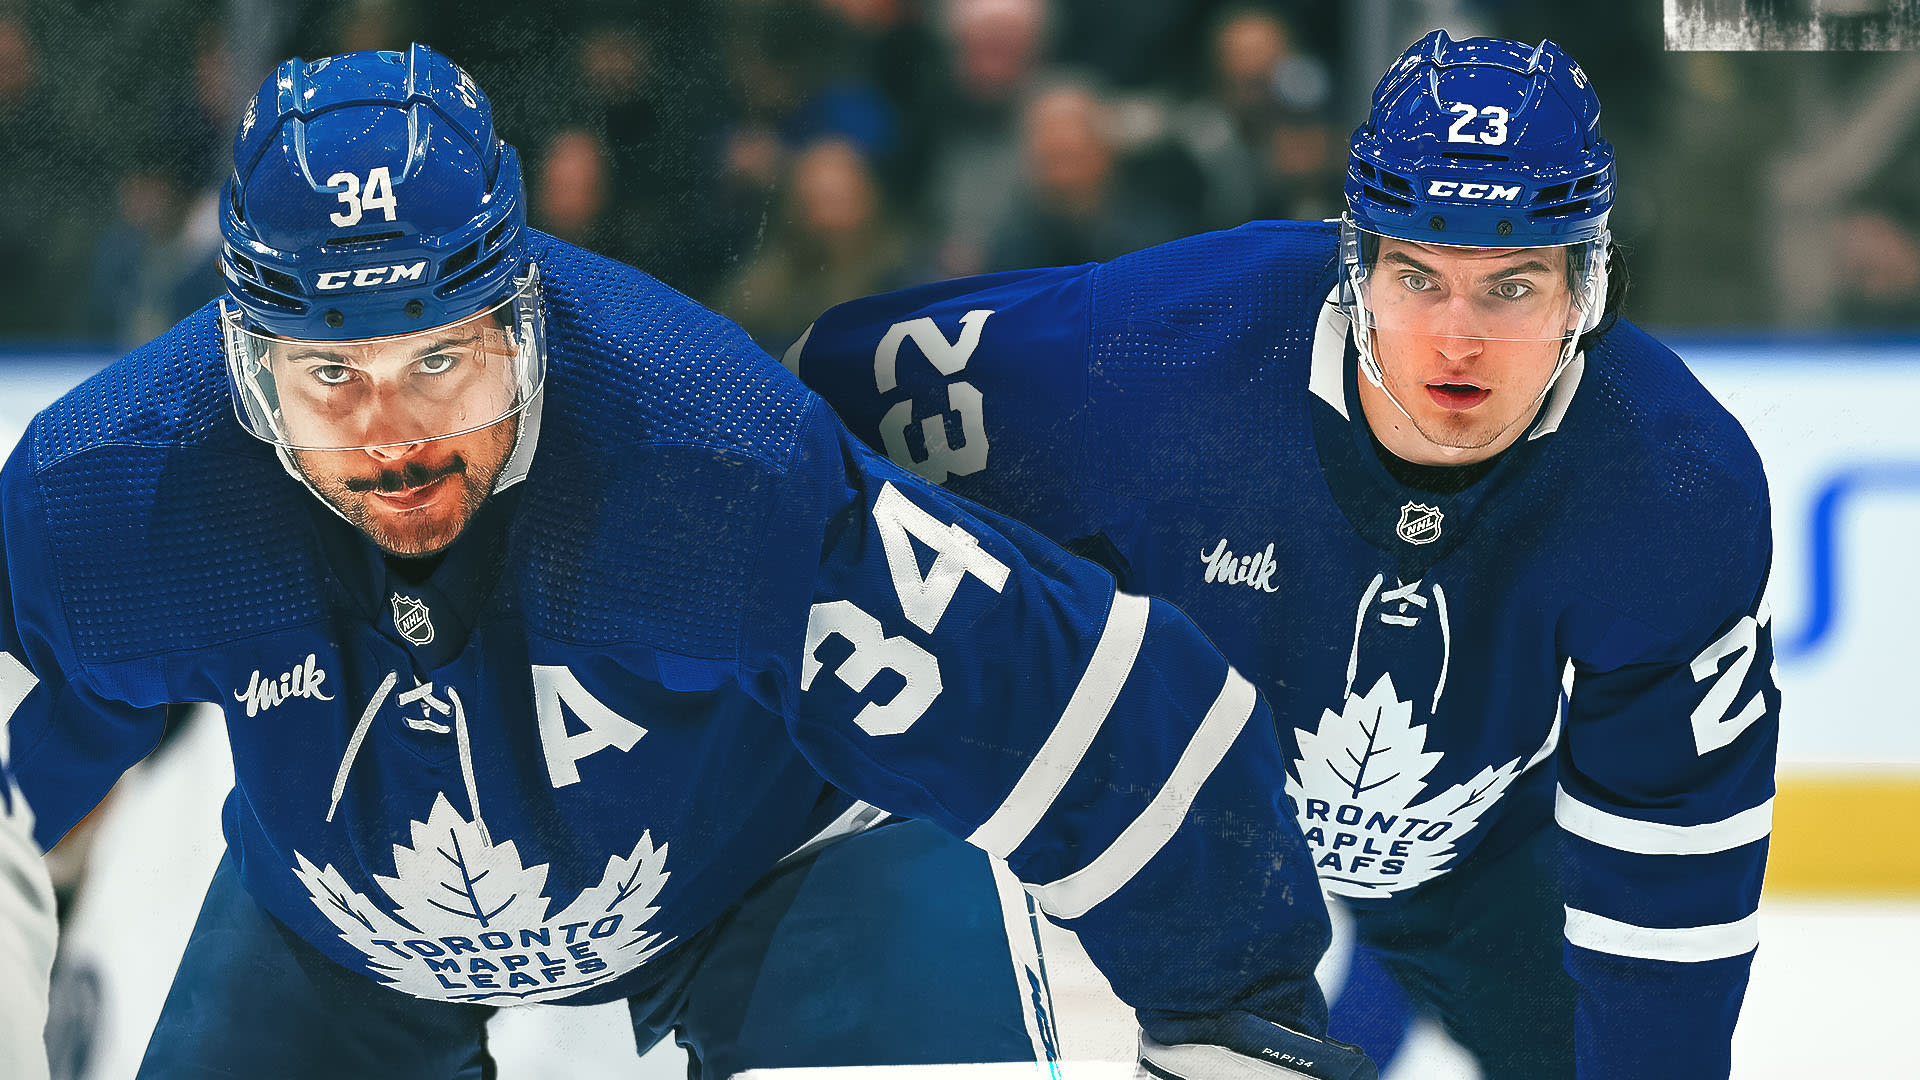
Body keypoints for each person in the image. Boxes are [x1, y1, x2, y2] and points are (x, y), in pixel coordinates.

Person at [0, 45, 1374, 1080]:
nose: (394, 435)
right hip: (344, 918)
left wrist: (1230, 1017)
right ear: (242, 371)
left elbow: (1070, 702)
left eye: (441, 361)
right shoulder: (118, 489)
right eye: (327, 379)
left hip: (774, 866)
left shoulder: (704, 461)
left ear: (523, 321)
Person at [787, 30, 1779, 1080]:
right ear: (1354, 264)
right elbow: (805, 406)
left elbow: (1674, 895)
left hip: (1465, 842)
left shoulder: (1676, 485)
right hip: (1167, 804)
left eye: (1514, 287)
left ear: (1590, 287)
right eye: (1419, 275)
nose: (1457, 341)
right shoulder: (1163, 341)